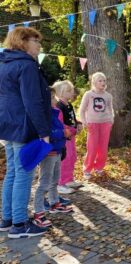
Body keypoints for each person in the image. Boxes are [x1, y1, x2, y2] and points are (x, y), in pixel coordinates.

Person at [0, 27, 50, 238]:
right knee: (23, 173)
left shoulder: (4, 63)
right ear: (23, 42)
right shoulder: (27, 66)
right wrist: (43, 131)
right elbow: (32, 102)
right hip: (22, 126)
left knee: (13, 171)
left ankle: (7, 219)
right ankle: (19, 225)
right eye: (35, 41)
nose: (39, 45)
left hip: (7, 125)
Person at [33, 88, 74, 228]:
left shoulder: (55, 113)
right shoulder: (43, 116)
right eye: (51, 98)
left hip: (57, 151)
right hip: (48, 153)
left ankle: (54, 202)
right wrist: (62, 132)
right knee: (44, 182)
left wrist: (68, 131)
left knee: (55, 179)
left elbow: (61, 128)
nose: (54, 100)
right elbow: (47, 132)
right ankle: (38, 212)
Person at [79, 72, 114, 180]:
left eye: (104, 80)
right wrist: (84, 121)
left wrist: (111, 120)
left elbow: (110, 108)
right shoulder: (89, 94)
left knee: (103, 148)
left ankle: (99, 168)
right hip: (92, 124)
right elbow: (82, 109)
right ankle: (87, 169)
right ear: (94, 82)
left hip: (105, 123)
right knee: (92, 147)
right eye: (100, 80)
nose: (103, 82)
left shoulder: (108, 95)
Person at [54, 80, 83, 194]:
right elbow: (60, 122)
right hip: (65, 137)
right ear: (61, 93)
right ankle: (60, 183)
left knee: (72, 157)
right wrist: (71, 130)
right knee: (65, 158)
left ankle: (68, 179)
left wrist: (78, 123)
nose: (72, 92)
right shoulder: (59, 106)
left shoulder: (69, 104)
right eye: (69, 90)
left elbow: (72, 118)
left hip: (72, 135)